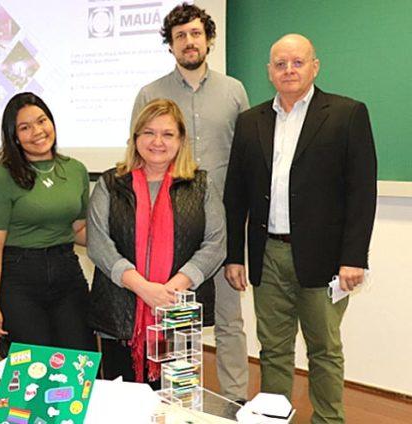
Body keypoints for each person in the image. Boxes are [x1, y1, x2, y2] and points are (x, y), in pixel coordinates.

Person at [224, 34, 377, 423]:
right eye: (280, 64)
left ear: (315, 66)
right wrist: (234, 256)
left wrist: (354, 257)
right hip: (267, 254)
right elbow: (235, 195)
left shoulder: (347, 114)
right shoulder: (249, 121)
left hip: (325, 259)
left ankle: (328, 420)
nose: (288, 70)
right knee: (272, 349)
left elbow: (362, 193)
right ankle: (273, 418)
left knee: (323, 348)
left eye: (297, 62)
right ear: (269, 72)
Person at [130, 2, 250, 400]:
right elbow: (137, 153)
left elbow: (247, 158)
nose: (189, 41)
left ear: (208, 39)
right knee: (171, 318)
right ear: (170, 45)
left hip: (221, 227)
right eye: (180, 36)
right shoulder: (151, 93)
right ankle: (173, 398)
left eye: (195, 33)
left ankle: (234, 400)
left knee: (230, 320)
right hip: (170, 226)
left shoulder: (234, 91)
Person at [88, 98, 225, 383]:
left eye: (167, 134)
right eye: (148, 132)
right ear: (135, 137)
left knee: (173, 398)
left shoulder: (201, 185)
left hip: (176, 311)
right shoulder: (111, 184)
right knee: (121, 398)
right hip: (120, 314)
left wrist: (171, 290)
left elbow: (215, 243)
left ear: (181, 140)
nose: (157, 141)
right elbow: (99, 243)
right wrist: (144, 288)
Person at [0, 92, 93, 351]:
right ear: (14, 137)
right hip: (20, 279)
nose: (37, 131)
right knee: (33, 374)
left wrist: (125, 239)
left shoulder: (75, 170)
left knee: (79, 367)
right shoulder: (1, 178)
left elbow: (78, 229)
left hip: (67, 272)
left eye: (42, 121)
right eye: (25, 127)